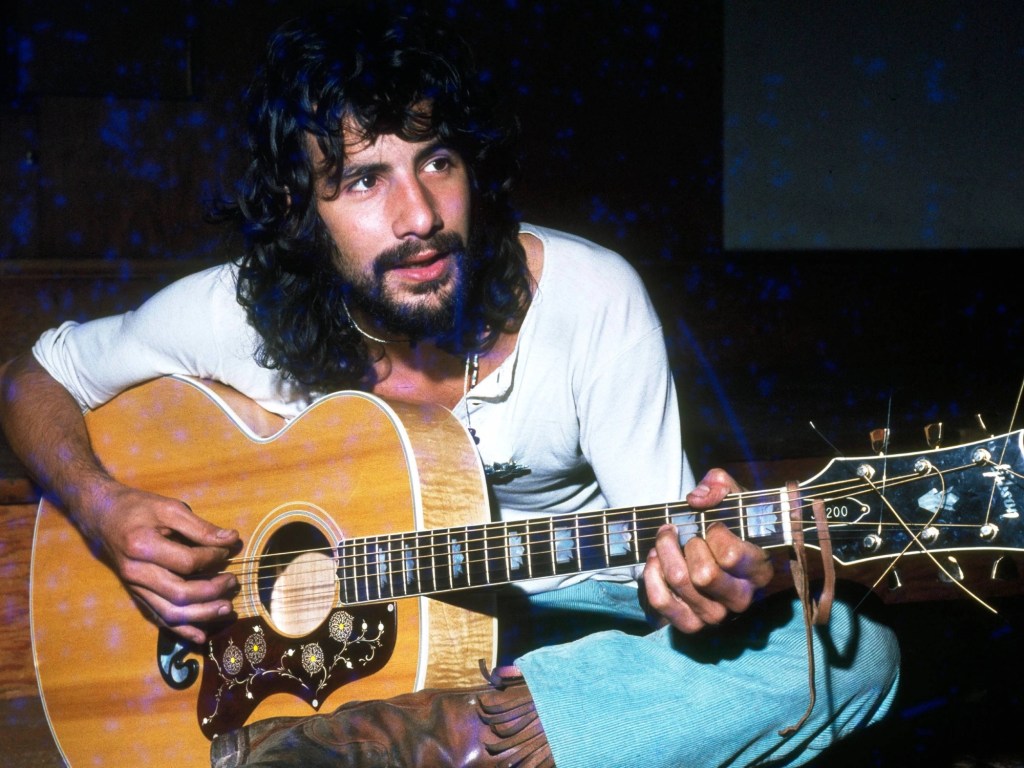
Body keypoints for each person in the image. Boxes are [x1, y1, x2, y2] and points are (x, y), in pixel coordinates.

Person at [0, 7, 899, 767]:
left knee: (852, 656)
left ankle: (442, 739)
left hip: (570, 635)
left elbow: (664, 568)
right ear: (299, 211)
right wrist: (103, 508)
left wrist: (706, 578)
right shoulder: (239, 311)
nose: (421, 216)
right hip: (339, 659)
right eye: (363, 180)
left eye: (437, 161)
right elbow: (31, 378)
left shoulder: (591, 298)